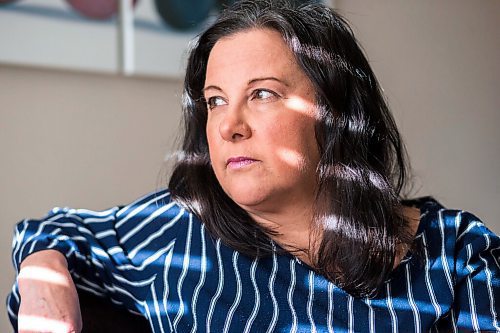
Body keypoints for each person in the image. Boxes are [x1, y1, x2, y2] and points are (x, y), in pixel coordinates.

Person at [7, 0, 500, 332]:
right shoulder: (178, 230)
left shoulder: (455, 255)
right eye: (215, 101)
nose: (228, 127)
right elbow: (51, 231)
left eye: (262, 94)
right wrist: (43, 272)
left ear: (336, 112)